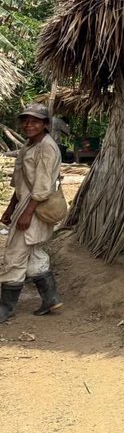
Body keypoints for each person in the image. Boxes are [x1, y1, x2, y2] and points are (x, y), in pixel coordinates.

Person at [0, 103, 64, 323]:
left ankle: (5, 308)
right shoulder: (29, 146)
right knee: (32, 253)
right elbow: (20, 183)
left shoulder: (47, 147)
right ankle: (51, 298)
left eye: (35, 120)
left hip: (34, 209)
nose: (29, 124)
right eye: (25, 120)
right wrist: (10, 208)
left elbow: (42, 187)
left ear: (45, 124)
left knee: (14, 255)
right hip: (25, 205)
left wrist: (26, 213)